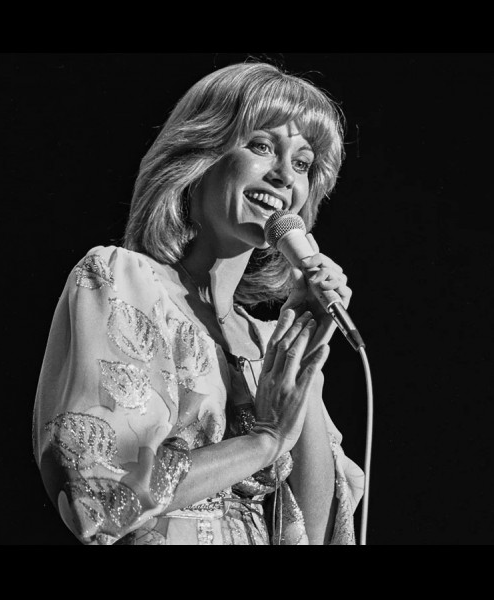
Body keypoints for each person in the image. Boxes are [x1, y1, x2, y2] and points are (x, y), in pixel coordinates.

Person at [32, 61, 364, 545]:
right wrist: (264, 442)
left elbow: (315, 534)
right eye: (262, 146)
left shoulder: (269, 340)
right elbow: (100, 497)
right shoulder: (124, 281)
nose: (283, 176)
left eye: (302, 163)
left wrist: (306, 348)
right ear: (201, 152)